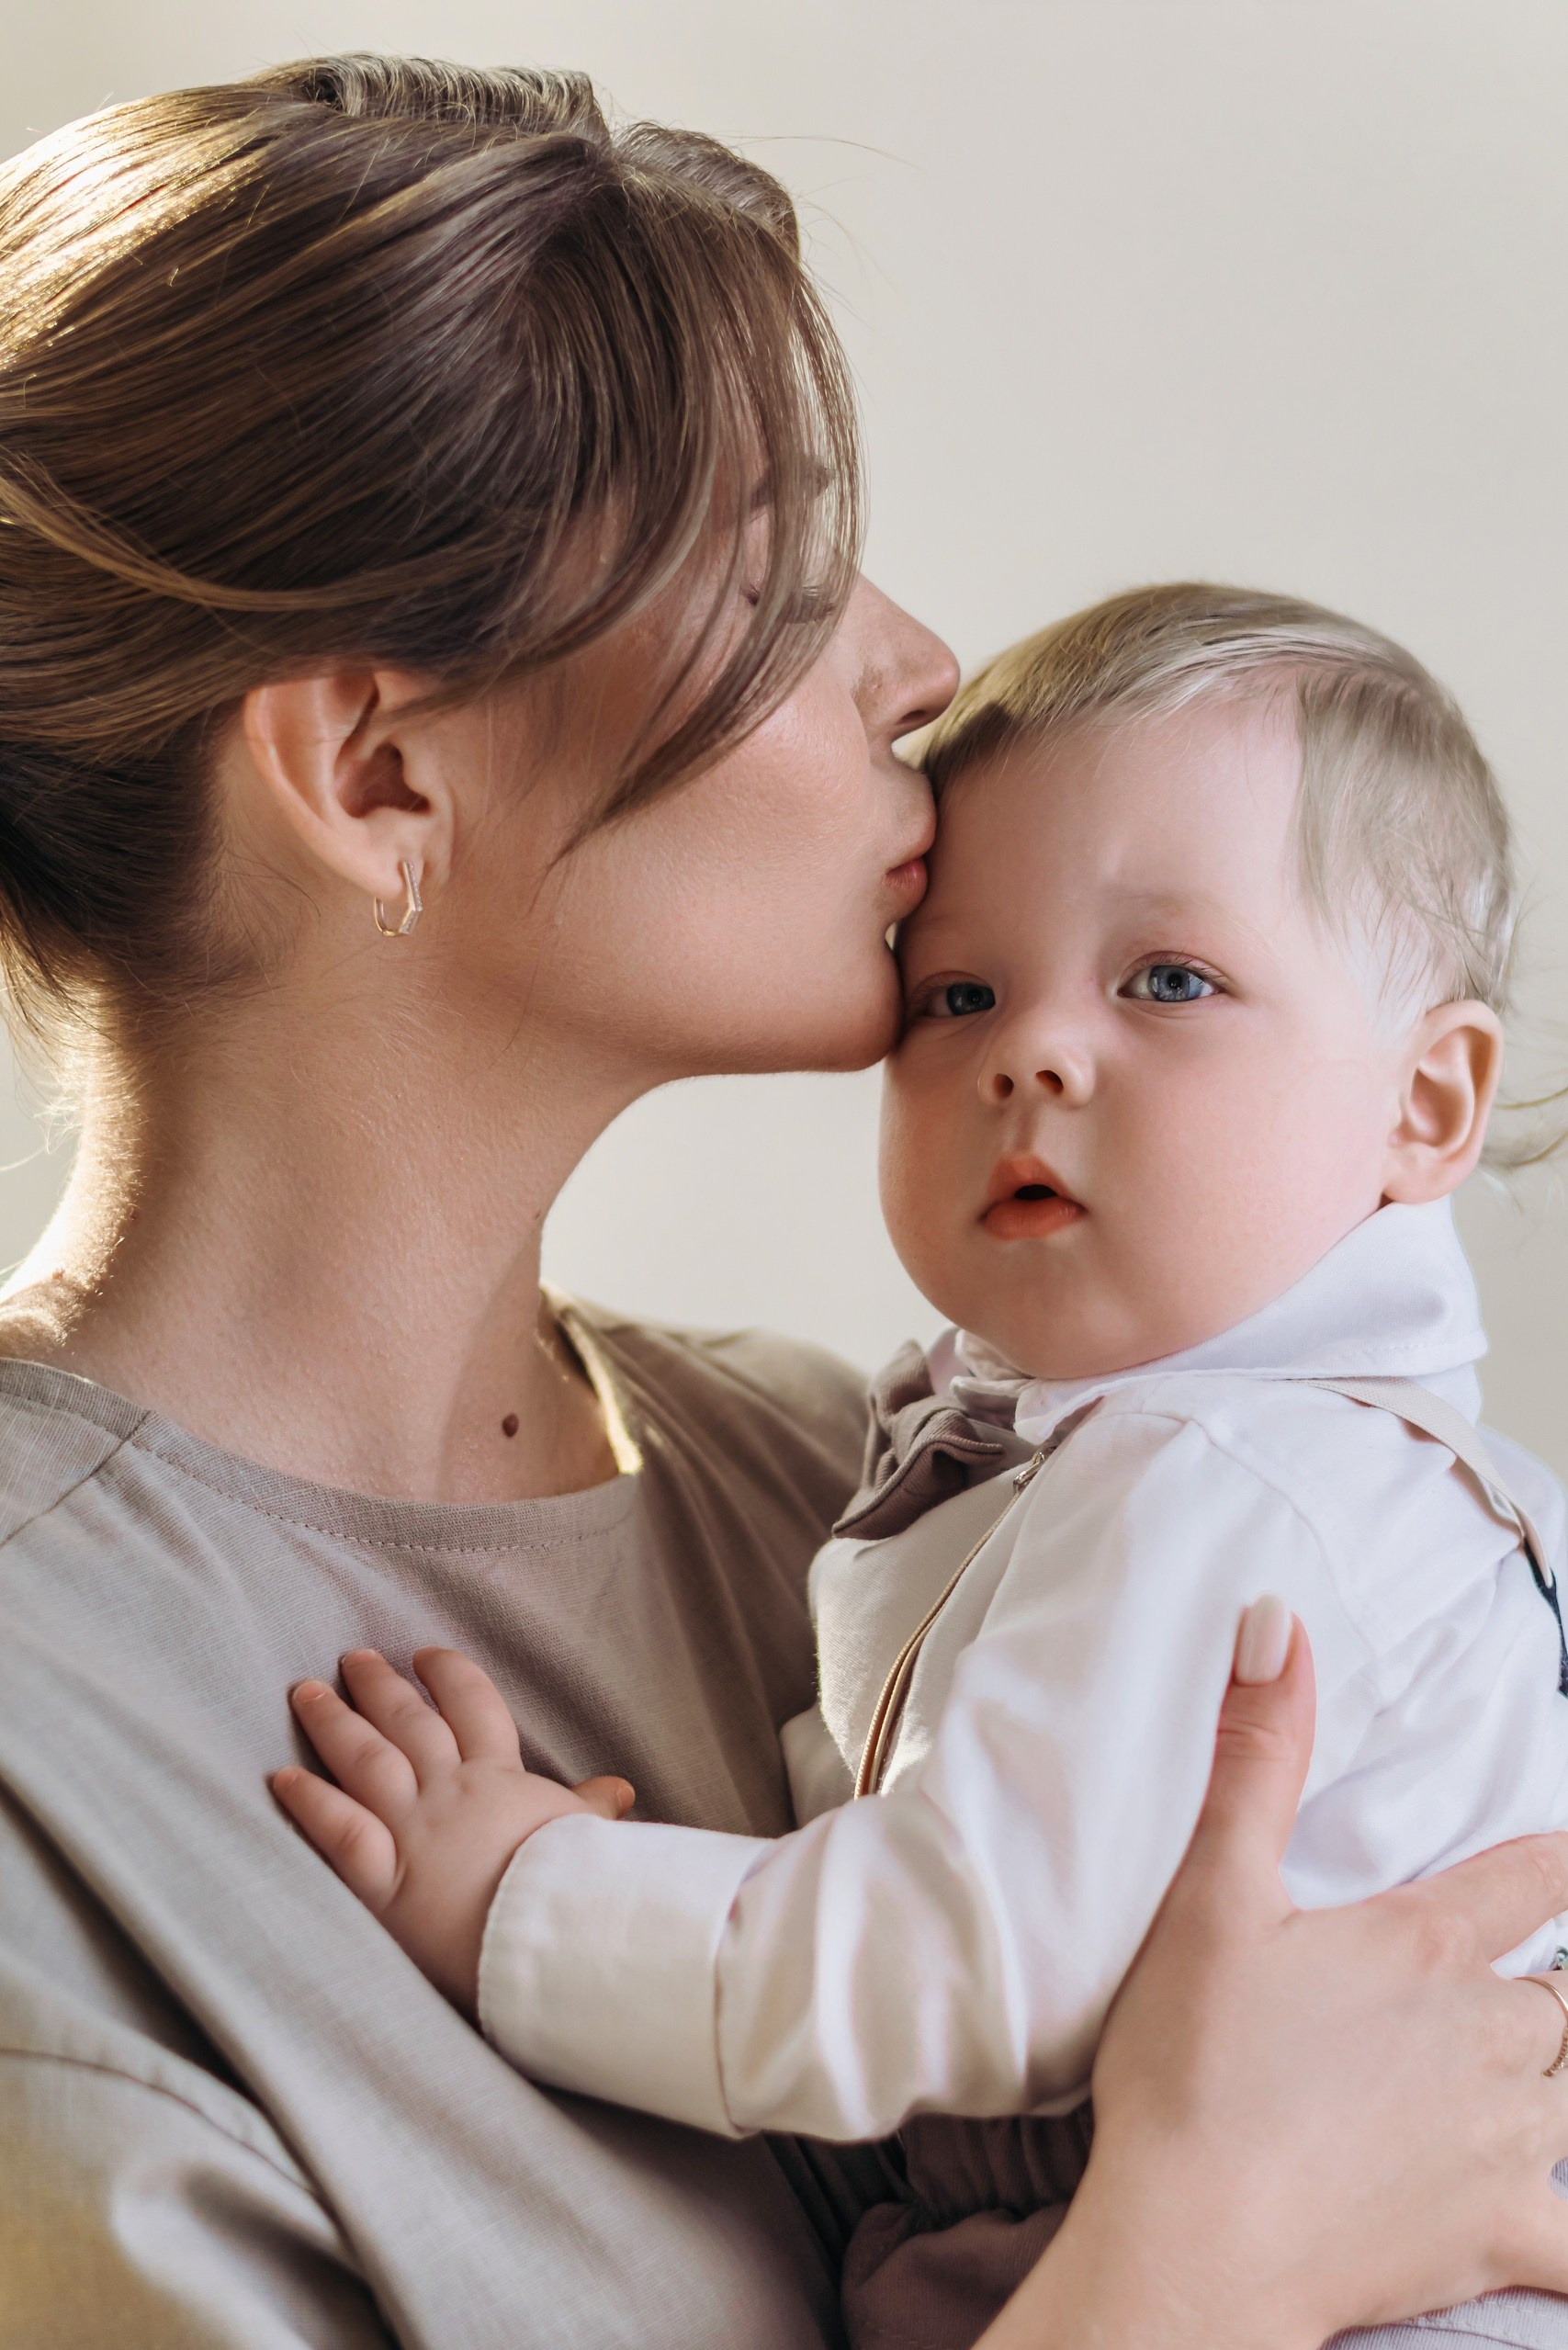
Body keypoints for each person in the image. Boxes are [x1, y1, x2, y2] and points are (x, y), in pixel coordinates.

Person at [0, 51, 1566, 2350]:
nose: (918, 668)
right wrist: (1195, 2268)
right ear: (375, 769)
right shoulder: (57, 1744)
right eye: (777, 566)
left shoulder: (847, 1481)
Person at [278, 583, 1568, 2347]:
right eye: (957, 990)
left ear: (1427, 1105)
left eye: (1171, 980)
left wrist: (530, 1903)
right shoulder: (1286, 1462)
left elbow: (956, 1958)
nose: (1032, 1049)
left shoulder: (1220, 1483)